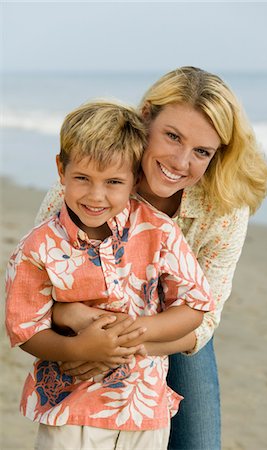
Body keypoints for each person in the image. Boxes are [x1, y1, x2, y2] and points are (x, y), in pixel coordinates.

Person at [34, 66, 267, 450]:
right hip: (88, 321)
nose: (180, 161)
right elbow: (42, 283)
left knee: (199, 444)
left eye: (201, 152)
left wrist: (119, 347)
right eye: (172, 136)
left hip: (175, 328)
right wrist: (85, 341)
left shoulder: (224, 209)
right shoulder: (93, 181)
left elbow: (205, 315)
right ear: (146, 118)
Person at [5, 100, 214, 450]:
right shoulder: (37, 247)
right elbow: (26, 329)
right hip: (71, 407)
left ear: (134, 178)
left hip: (144, 405)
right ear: (61, 170)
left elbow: (195, 306)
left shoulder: (159, 232)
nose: (96, 195)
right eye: (82, 179)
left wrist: (135, 333)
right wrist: (75, 348)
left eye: (114, 181)